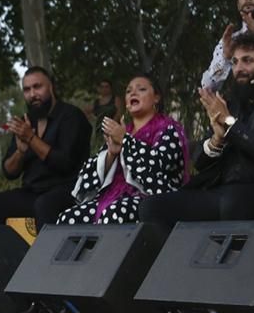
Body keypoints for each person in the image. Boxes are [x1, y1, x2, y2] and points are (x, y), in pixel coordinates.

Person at [140, 32, 254, 229]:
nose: (239, 69)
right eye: (235, 62)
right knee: (152, 207)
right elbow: (200, 162)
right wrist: (217, 140)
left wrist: (229, 122)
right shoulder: (230, 105)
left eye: (248, 61)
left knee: (234, 203)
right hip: (220, 190)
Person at [57, 74, 189, 224]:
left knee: (114, 213)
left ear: (156, 97)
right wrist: (111, 154)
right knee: (68, 218)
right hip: (112, 197)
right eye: (128, 91)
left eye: (141, 89)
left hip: (150, 199)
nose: (133, 93)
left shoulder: (169, 129)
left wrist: (126, 141)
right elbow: (90, 175)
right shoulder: (121, 131)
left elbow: (159, 165)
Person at [0, 66, 91, 225]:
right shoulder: (26, 122)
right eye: (27, 90)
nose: (33, 94)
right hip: (32, 192)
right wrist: (20, 152)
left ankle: (49, 251)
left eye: (37, 87)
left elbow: (64, 163)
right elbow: (8, 172)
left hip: (69, 190)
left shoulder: (71, 116)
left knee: (44, 205)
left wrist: (31, 138)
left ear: (51, 87)